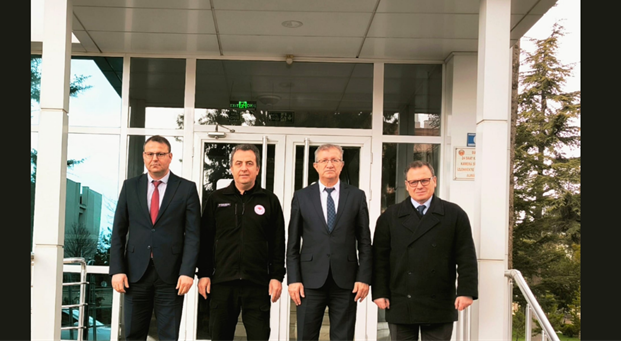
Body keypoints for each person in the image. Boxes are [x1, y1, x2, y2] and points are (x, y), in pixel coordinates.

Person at [372, 161, 478, 341]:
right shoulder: (390, 216)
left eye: (424, 180)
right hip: (400, 300)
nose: (419, 186)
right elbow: (379, 259)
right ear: (407, 185)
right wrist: (379, 292)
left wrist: (466, 291)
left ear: (434, 181)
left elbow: (466, 256)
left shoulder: (454, 214)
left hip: (440, 301)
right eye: (413, 182)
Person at [109, 135, 202, 341]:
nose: (154, 158)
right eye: (150, 154)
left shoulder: (186, 188)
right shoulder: (130, 186)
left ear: (170, 157)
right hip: (135, 274)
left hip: (171, 276)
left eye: (160, 154)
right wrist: (117, 269)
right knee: (133, 334)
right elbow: (118, 231)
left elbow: (193, 235)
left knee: (169, 335)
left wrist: (187, 271)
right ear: (144, 156)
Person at [197, 144, 286, 341]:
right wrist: (203, 274)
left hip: (258, 284)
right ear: (231, 168)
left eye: (249, 163)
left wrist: (276, 276)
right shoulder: (216, 199)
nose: (244, 168)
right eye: (239, 163)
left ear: (257, 169)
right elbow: (205, 240)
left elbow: (278, 242)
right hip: (222, 283)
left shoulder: (270, 200)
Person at [286, 144, 372, 341]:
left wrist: (364, 277)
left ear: (342, 165)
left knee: (343, 337)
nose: (330, 164)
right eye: (324, 160)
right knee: (306, 336)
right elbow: (292, 243)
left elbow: (365, 242)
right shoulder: (302, 196)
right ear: (315, 166)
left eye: (335, 160)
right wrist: (293, 279)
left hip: (346, 282)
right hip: (309, 281)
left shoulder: (356, 196)